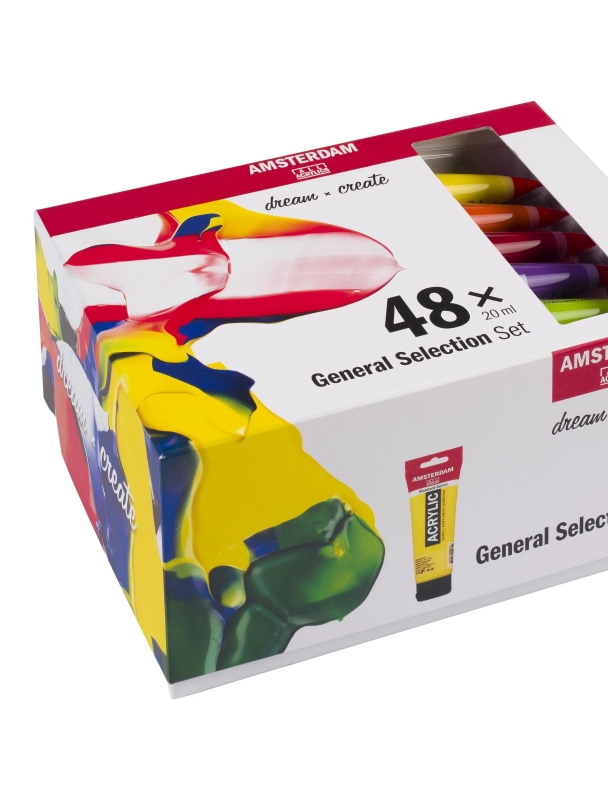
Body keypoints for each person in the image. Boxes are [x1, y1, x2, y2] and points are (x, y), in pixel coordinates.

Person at [38, 200, 402, 682]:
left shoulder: (158, 366)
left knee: (326, 557)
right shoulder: (139, 372)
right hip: (221, 542)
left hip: (271, 538)